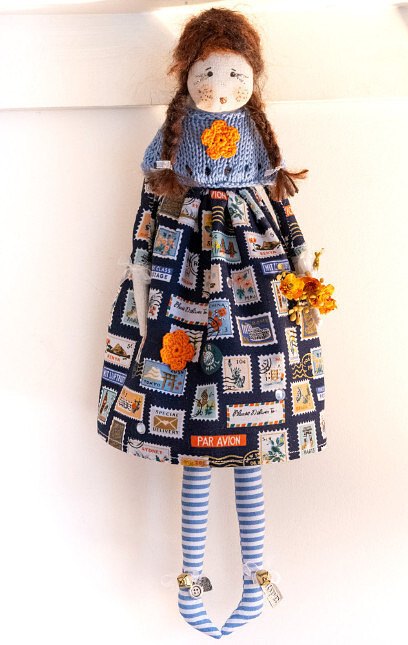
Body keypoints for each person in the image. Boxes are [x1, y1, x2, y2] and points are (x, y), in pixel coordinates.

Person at [97, 6, 328, 638]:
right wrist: (140, 277)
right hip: (182, 289)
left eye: (233, 74)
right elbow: (149, 212)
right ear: (186, 74)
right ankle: (191, 576)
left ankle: (256, 574)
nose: (220, 88)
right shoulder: (172, 141)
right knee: (196, 447)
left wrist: (303, 266)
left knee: (248, 442)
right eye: (207, 73)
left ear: (252, 75)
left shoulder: (260, 139)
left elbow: (284, 215)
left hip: (255, 290)